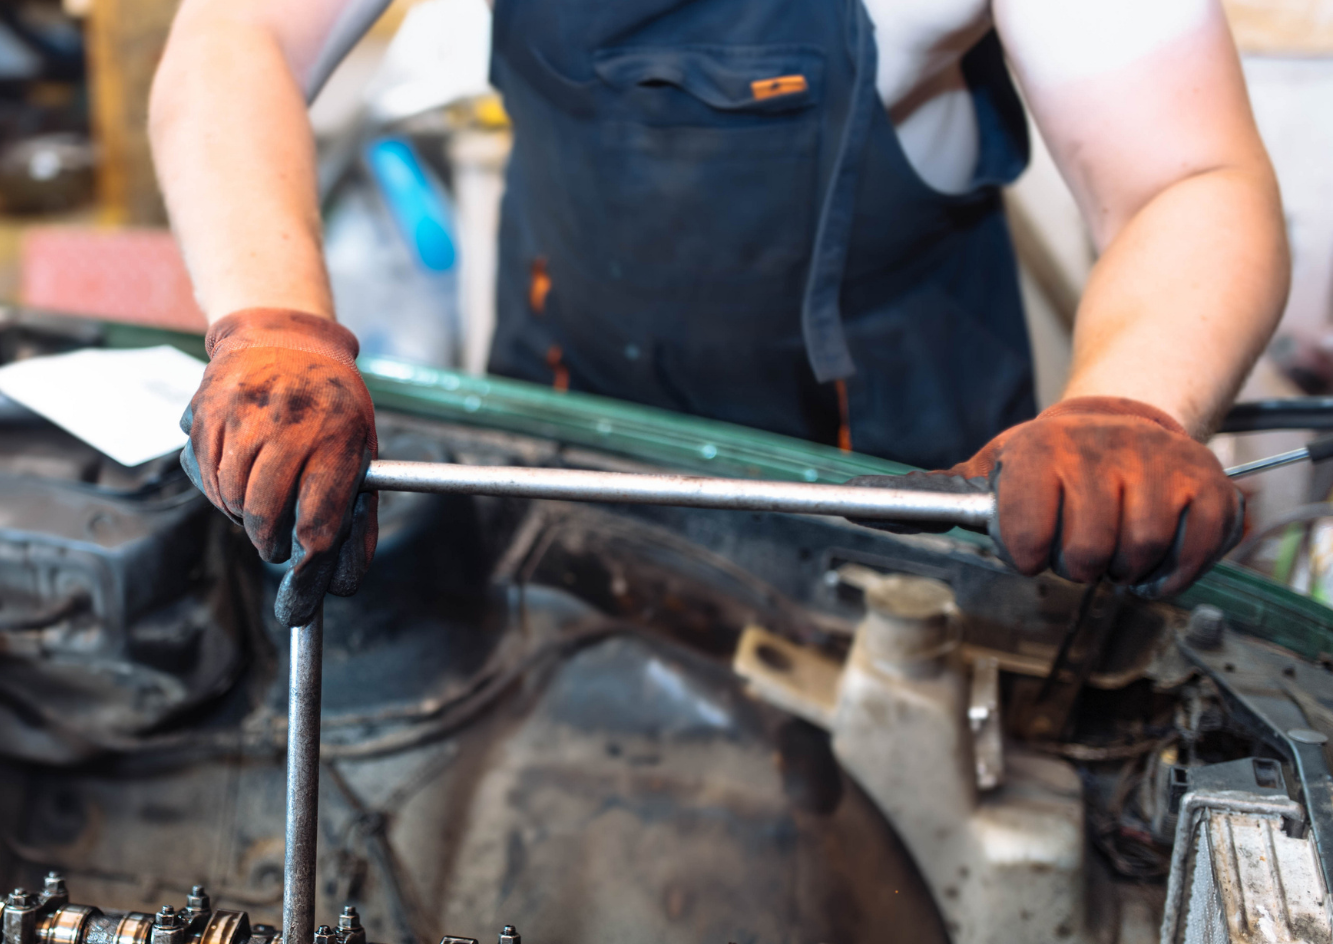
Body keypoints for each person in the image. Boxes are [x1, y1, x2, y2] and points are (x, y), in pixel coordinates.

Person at [152, 0, 1289, 626]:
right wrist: (276, 328)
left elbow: (1185, 178)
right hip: (566, 450)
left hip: (897, 486)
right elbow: (237, 35)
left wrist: (1127, 407)